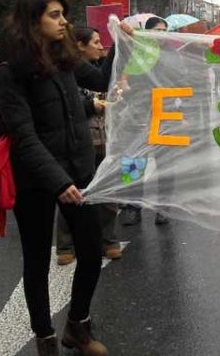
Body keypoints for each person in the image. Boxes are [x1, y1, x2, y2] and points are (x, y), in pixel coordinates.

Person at [0, 0, 129, 356]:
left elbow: (102, 80)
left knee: (90, 251)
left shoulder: (65, 59)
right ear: (33, 21)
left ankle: (77, 327)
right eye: (55, 15)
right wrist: (59, 181)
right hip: (37, 180)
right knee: (36, 260)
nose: (63, 21)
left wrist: (120, 43)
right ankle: (45, 339)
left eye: (64, 14)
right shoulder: (11, 72)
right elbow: (24, 136)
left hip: (79, 172)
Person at [56, 27, 122, 265]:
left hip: (106, 139)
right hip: (77, 142)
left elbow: (106, 82)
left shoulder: (98, 70)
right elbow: (64, 107)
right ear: (80, 46)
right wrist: (91, 106)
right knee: (72, 192)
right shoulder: (62, 69)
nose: (100, 46)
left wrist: (120, 43)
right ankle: (65, 245)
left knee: (108, 190)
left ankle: (109, 241)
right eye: (95, 42)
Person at [121, 15, 171, 227]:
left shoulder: (171, 55)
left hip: (166, 116)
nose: (161, 35)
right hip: (139, 115)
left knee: (166, 165)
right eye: (157, 31)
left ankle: (163, 208)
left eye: (164, 31)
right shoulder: (135, 53)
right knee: (133, 161)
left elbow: (182, 82)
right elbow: (123, 80)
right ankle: (132, 207)